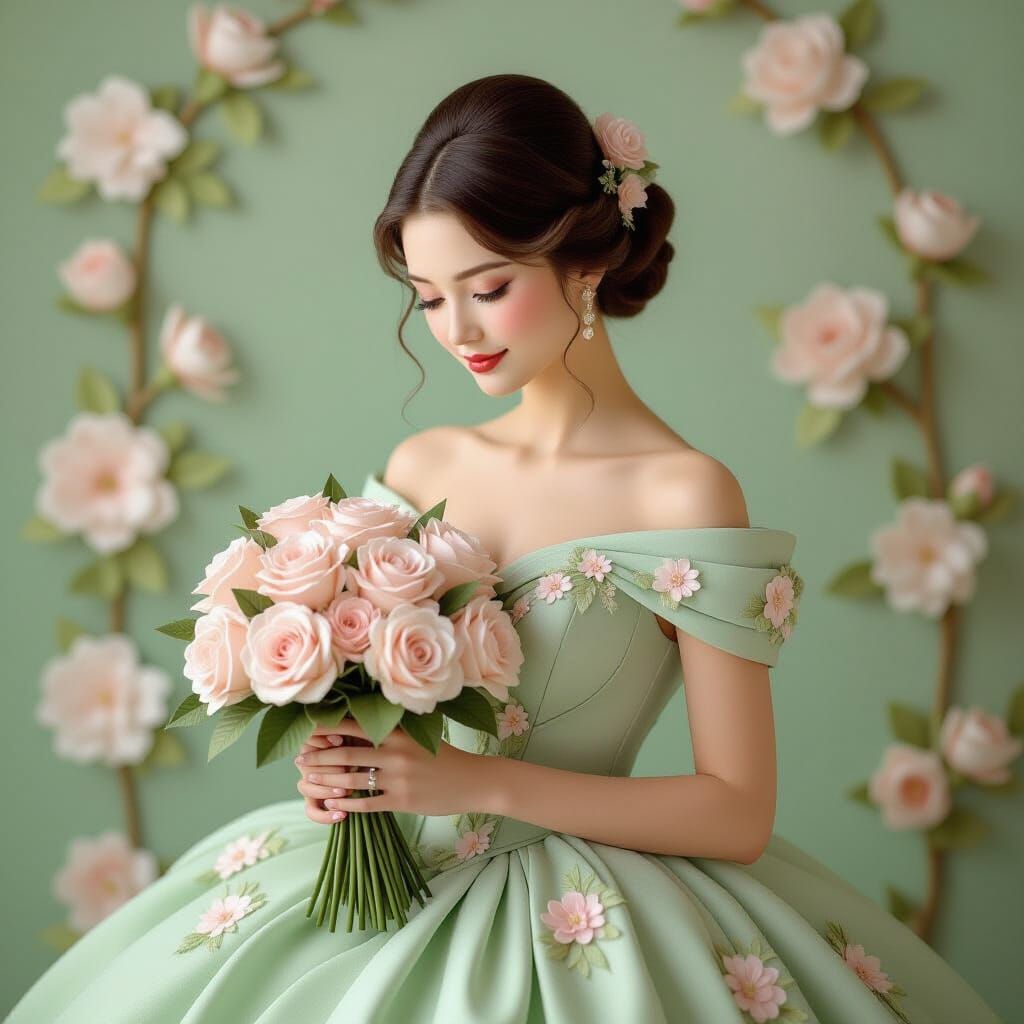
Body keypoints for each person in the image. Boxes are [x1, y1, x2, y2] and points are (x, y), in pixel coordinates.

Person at [8, 73, 1004, 1024]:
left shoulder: (683, 490)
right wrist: (350, 766)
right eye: (430, 296)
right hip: (389, 884)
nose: (457, 329)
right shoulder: (424, 458)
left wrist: (475, 783)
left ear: (586, 259)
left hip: (584, 912)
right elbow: (396, 708)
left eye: (486, 286)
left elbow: (737, 809)